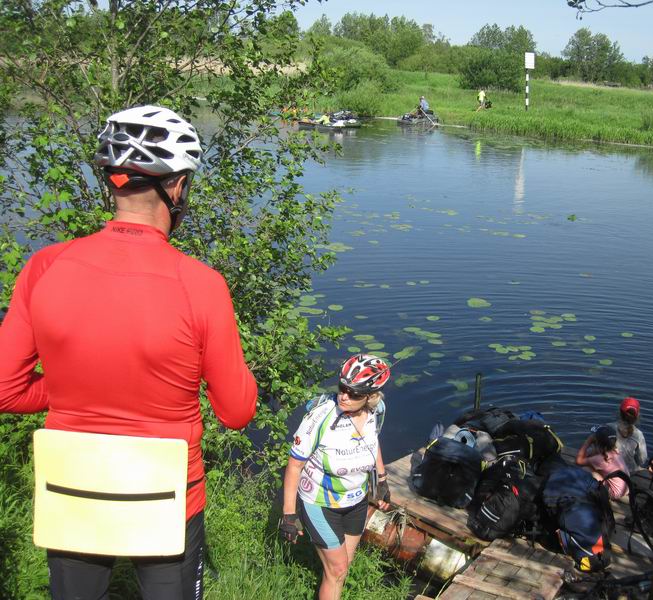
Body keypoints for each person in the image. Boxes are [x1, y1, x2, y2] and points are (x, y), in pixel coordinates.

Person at [0, 105, 258, 599]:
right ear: (178, 186)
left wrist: (71, 388)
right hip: (167, 500)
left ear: (112, 183)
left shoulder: (45, 266)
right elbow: (238, 410)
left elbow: (6, 389)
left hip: (73, 487)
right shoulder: (201, 285)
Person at [281, 354, 392, 600]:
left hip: (356, 501)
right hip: (319, 502)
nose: (344, 396)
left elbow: (373, 443)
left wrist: (381, 480)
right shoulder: (321, 416)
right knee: (337, 568)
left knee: (341, 570)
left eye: (353, 394)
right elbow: (294, 466)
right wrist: (289, 514)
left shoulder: (376, 411)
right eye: (342, 389)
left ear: (370, 397)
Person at [576, 425, 629, 499]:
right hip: (626, 487)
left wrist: (588, 442)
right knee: (594, 467)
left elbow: (578, 461)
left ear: (598, 444)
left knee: (585, 469)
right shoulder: (616, 451)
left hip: (615, 493)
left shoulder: (599, 459)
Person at [607, 397, 648, 472]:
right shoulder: (639, 435)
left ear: (620, 412)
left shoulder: (607, 428)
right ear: (637, 416)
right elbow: (642, 460)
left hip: (608, 470)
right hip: (629, 472)